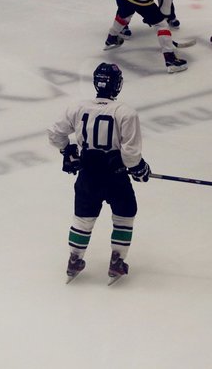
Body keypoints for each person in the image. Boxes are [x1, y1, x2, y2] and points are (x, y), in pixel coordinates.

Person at [47, 62, 151, 283]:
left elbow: (55, 133)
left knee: (83, 217)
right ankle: (117, 261)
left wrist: (67, 150)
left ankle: (74, 259)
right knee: (125, 213)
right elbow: (131, 153)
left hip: (88, 174)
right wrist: (139, 168)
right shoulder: (125, 113)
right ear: (118, 85)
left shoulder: (77, 108)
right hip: (115, 175)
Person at [103, 0, 187, 73]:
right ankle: (171, 60)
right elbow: (165, 9)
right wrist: (153, 17)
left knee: (124, 13)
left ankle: (111, 38)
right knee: (161, 25)